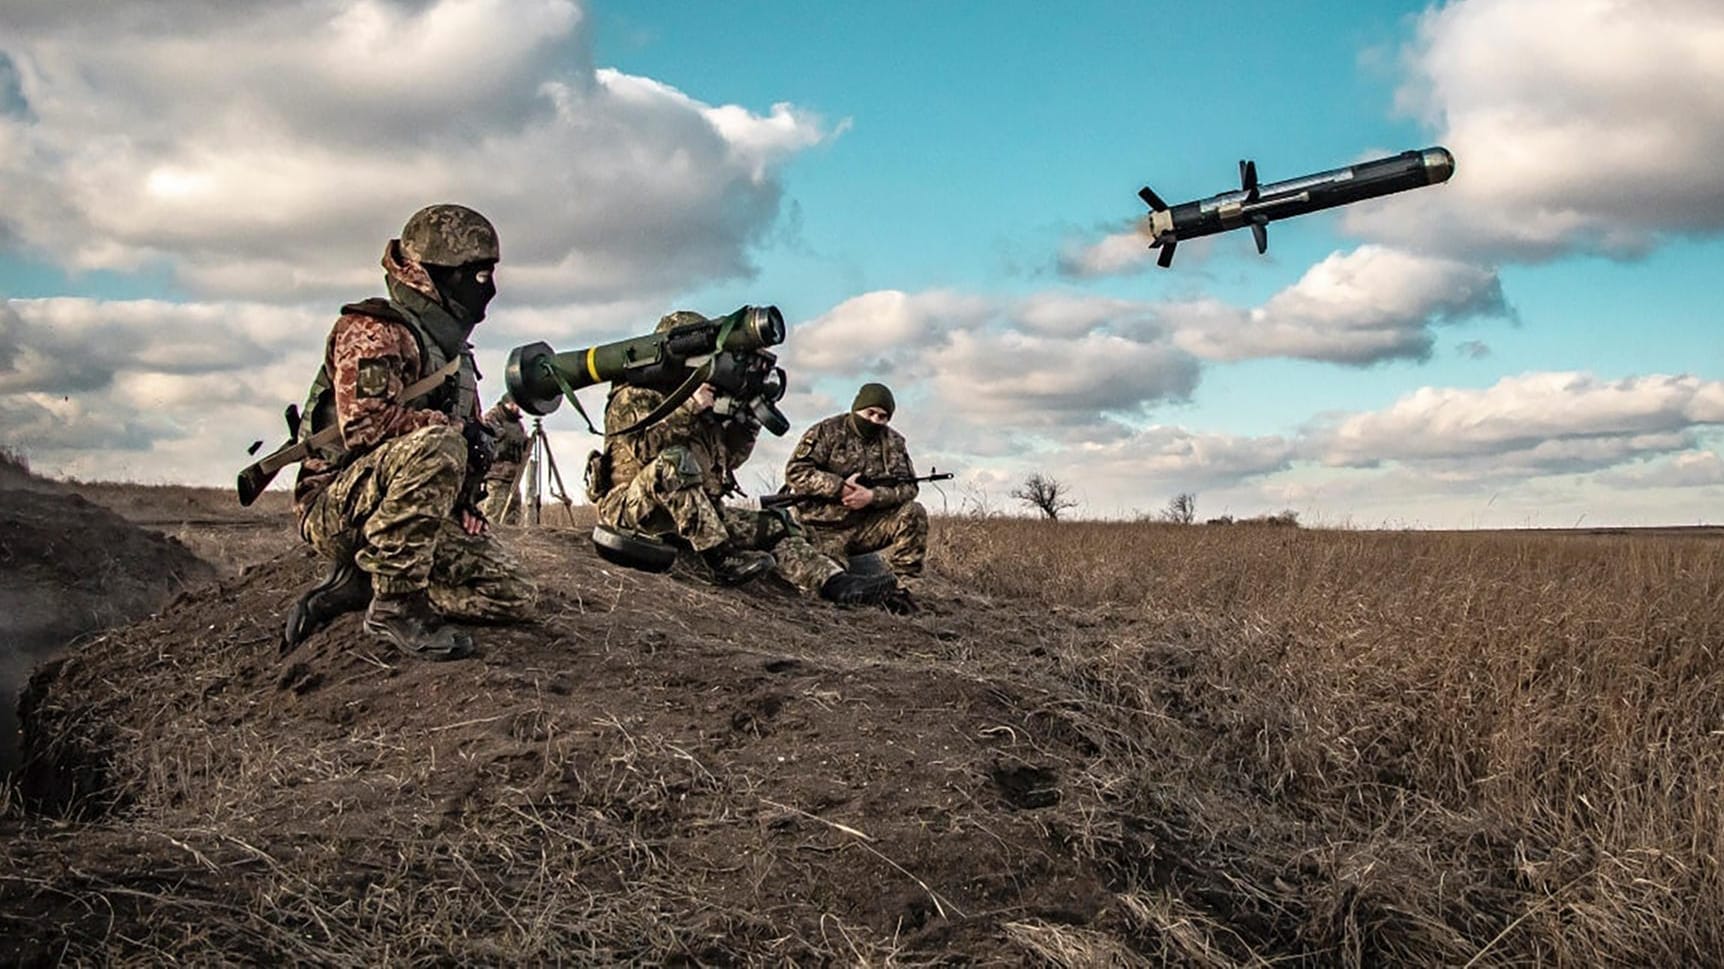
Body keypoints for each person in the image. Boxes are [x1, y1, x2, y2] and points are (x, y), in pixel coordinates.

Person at [282, 204, 538, 660]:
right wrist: (456, 434)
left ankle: (362, 584)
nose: (489, 289)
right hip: (336, 509)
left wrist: (463, 501)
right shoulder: (373, 330)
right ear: (435, 272)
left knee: (513, 594)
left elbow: (458, 441)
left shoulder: (456, 356)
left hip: (401, 507)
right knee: (440, 444)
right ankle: (395, 604)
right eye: (476, 276)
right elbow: (366, 426)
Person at [593, 311, 897, 605]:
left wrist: (747, 424)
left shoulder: (701, 394)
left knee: (779, 525)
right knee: (674, 459)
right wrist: (690, 409)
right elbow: (643, 449)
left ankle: (836, 584)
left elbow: (729, 462)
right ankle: (722, 559)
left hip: (697, 513)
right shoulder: (635, 393)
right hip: (633, 509)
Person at [783, 382, 927, 608]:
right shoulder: (826, 431)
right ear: (857, 409)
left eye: (883, 417)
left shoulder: (894, 442)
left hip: (864, 527)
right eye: (870, 413)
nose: (875, 421)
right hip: (821, 528)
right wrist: (839, 487)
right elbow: (796, 472)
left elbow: (909, 487)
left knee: (914, 512)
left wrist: (872, 496)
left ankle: (903, 588)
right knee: (830, 582)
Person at [478, 393, 529, 525]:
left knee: (513, 513)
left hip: (513, 476)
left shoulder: (518, 424)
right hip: (497, 475)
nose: (516, 408)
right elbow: (495, 438)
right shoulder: (492, 418)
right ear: (505, 403)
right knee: (494, 513)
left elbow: (522, 445)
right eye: (513, 404)